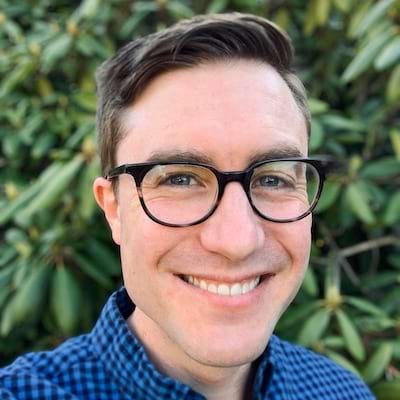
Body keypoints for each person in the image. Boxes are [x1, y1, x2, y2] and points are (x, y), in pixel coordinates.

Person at [0, 13, 375, 400]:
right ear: (113, 209)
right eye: (179, 179)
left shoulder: (340, 391)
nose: (237, 241)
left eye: (272, 179)